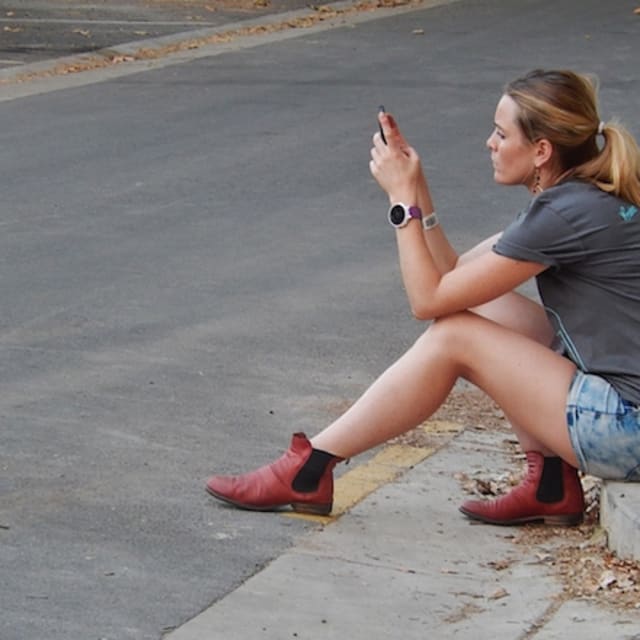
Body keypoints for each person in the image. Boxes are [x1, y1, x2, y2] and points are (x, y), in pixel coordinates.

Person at [206, 69, 640, 526]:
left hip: (626, 429)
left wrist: (400, 204)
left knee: (455, 336)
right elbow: (455, 276)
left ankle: (311, 468)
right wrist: (417, 189)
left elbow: (426, 299)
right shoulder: (587, 197)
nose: (489, 143)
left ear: (541, 151)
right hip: (622, 408)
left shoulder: (564, 213)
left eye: (500, 133)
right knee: (473, 307)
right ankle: (550, 483)